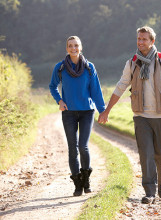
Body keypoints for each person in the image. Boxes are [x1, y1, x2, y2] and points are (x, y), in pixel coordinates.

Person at [98, 26, 161, 204]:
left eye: (144, 39)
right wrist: (107, 110)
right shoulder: (132, 63)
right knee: (146, 154)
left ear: (152, 42)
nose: (140, 42)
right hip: (141, 116)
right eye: (138, 39)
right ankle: (149, 191)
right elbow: (121, 86)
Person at [49, 36, 106, 196]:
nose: (73, 48)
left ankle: (86, 179)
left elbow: (95, 90)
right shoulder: (60, 67)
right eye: (70, 46)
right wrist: (59, 100)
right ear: (67, 48)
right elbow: (52, 86)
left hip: (87, 112)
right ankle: (78, 185)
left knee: (83, 146)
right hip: (69, 113)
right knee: (72, 149)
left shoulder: (89, 67)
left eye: (76, 45)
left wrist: (103, 110)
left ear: (81, 47)